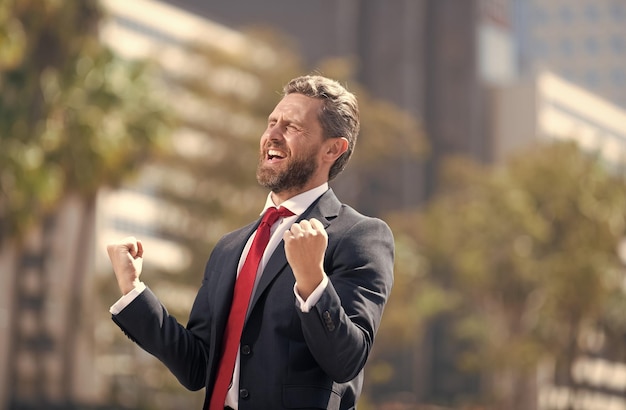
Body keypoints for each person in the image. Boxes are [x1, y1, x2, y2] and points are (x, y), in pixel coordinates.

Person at [106, 74, 395, 410]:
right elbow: (197, 366)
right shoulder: (229, 248)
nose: (272, 134)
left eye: (292, 127)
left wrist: (313, 282)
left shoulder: (360, 236)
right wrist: (133, 290)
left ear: (333, 148)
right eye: (272, 122)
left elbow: (346, 360)